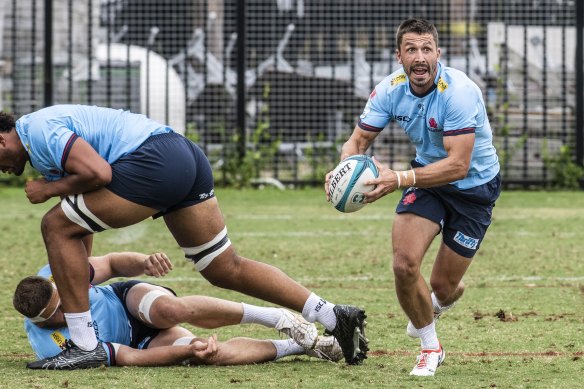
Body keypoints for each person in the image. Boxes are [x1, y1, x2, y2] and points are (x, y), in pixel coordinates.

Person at [0, 104, 368, 368]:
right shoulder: (43, 149)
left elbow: (99, 173)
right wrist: (81, 288)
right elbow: (80, 233)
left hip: (151, 161)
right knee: (224, 267)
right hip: (182, 154)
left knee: (52, 224)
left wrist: (48, 191)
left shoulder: (38, 132)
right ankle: (333, 315)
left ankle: (83, 345)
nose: (2, 170)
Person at [325, 18, 501, 376]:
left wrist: (400, 178)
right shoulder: (391, 89)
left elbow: (458, 165)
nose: (419, 57)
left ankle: (438, 300)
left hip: (474, 190)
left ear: (438, 53)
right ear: (399, 57)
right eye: (411, 50)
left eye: (426, 49)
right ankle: (430, 346)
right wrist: (343, 169)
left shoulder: (458, 92)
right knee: (404, 265)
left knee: (443, 286)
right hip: (426, 182)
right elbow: (358, 141)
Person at [14, 251, 343, 369]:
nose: (73, 305)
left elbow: (112, 263)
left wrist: (142, 263)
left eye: (67, 298)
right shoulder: (53, 347)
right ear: (45, 321)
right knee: (204, 354)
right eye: (63, 311)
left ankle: (276, 317)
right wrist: (190, 352)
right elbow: (129, 357)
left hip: (127, 300)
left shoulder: (60, 274)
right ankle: (300, 347)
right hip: (136, 346)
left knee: (167, 310)